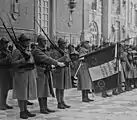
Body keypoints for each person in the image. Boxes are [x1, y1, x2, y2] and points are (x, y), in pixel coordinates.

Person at [32, 35, 65, 114]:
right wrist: (57, 63)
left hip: (46, 70)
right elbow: (46, 58)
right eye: (44, 41)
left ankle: (45, 107)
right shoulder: (37, 51)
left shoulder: (45, 50)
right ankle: (42, 108)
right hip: (40, 71)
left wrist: (51, 65)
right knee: (41, 90)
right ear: (39, 41)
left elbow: (49, 58)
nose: (45, 42)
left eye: (45, 41)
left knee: (46, 90)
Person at [12, 34, 37, 119]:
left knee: (26, 94)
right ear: (22, 42)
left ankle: (25, 110)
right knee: (21, 94)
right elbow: (13, 63)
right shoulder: (17, 51)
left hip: (28, 73)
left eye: (28, 41)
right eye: (26, 41)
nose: (28, 42)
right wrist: (24, 60)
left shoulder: (27, 50)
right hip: (21, 74)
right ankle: (22, 111)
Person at [51, 38, 72, 109]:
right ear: (60, 44)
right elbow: (54, 61)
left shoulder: (65, 51)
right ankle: (59, 102)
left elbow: (67, 59)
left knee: (62, 87)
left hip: (64, 70)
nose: (65, 45)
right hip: (58, 71)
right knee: (59, 87)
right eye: (64, 43)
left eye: (65, 43)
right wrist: (63, 57)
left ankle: (62, 101)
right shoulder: (55, 52)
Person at [0, 37, 13, 110]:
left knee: (7, 88)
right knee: (3, 88)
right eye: (5, 43)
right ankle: (1, 104)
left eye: (7, 43)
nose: (6, 45)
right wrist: (7, 58)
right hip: (2, 70)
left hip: (9, 70)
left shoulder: (7, 51)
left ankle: (4, 103)